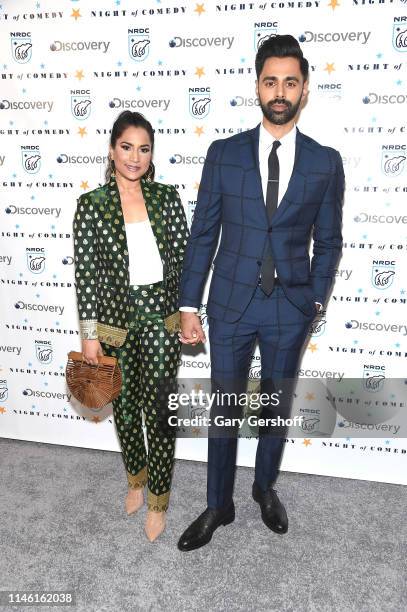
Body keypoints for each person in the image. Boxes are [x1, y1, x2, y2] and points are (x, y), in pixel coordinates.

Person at [177, 35, 345, 551]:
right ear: (257, 86)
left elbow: (330, 240)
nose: (280, 91)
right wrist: (188, 304)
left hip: (289, 307)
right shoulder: (223, 154)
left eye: (290, 82)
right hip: (229, 305)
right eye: (271, 81)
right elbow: (204, 232)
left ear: (305, 89)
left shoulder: (325, 162)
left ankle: (264, 487)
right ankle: (217, 504)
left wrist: (313, 301)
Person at [72, 111, 189, 542]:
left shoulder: (166, 198)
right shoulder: (92, 206)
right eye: (126, 147)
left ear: (151, 154)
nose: (135, 157)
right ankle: (136, 480)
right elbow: (86, 276)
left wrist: (190, 312)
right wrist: (89, 335)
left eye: (143, 148)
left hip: (161, 317)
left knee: (158, 412)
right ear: (111, 149)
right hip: (115, 325)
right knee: (123, 409)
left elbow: (185, 262)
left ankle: (159, 499)